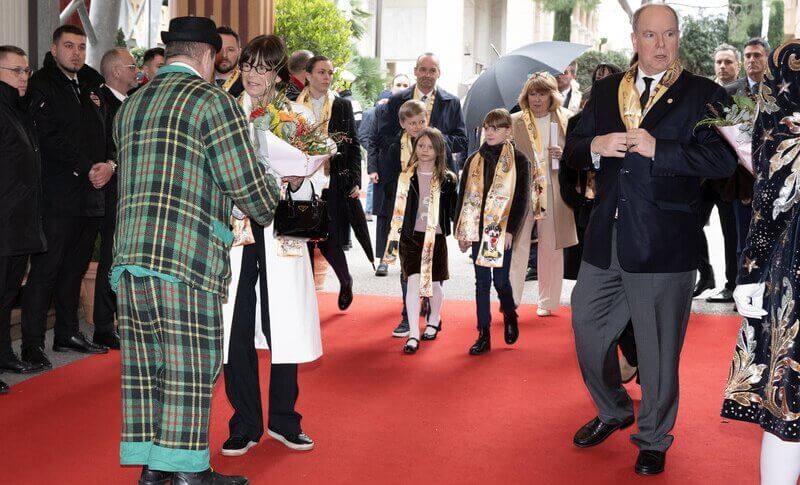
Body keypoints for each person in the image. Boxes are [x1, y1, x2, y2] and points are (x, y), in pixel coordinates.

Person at [563, 4, 737, 475]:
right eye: (650, 35)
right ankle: (614, 409)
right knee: (587, 331)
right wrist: (596, 147)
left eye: (669, 35)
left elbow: (724, 161)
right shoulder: (604, 91)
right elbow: (574, 147)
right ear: (634, 38)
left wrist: (661, 149)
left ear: (678, 38)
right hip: (606, 240)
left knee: (659, 352)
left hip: (665, 243)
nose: (660, 45)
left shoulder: (705, 94)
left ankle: (654, 436)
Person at [111, 16, 279, 484]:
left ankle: (153, 468)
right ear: (207, 56)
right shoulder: (211, 102)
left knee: (147, 367)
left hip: (129, 258)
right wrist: (273, 189)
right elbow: (247, 185)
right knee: (190, 366)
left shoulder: (132, 105)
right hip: (185, 256)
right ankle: (189, 473)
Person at [221, 34, 322, 458]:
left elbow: (319, 177)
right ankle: (244, 423)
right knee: (236, 326)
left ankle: (284, 418)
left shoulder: (296, 116)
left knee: (285, 321)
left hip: (281, 231)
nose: (253, 75)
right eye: (248, 65)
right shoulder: (222, 111)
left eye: (263, 67)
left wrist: (300, 178)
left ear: (278, 73)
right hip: (236, 232)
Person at [726, 38, 800, 485]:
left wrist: (750, 273)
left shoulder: (789, 62)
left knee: (789, 403)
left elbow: (772, 188)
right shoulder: (789, 61)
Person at [22, 25, 111, 369]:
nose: (76, 53)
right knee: (46, 271)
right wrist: (85, 166)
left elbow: (104, 129)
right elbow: (48, 136)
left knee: (74, 268)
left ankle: (67, 332)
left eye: (81, 47)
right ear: (54, 49)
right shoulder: (42, 85)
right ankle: (31, 344)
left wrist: (107, 164)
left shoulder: (89, 83)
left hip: (91, 193)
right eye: (69, 46)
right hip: (58, 194)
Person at [372, 53, 467, 338]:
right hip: (403, 190)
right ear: (414, 71)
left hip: (436, 188)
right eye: (423, 69)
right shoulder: (396, 100)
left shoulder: (451, 101)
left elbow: (462, 139)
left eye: (432, 70)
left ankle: (432, 313)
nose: (427, 74)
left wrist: (433, 140)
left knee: (434, 255)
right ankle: (407, 314)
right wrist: (405, 139)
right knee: (408, 255)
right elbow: (381, 138)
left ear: (439, 72)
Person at [455, 108, 530, 355]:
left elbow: (521, 199)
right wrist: (463, 231)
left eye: (496, 128)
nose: (489, 132)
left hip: (502, 230)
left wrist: (511, 231)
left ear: (508, 131)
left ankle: (509, 313)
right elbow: (463, 197)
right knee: (481, 282)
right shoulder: (473, 159)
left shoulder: (519, 160)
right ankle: (483, 333)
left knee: (500, 281)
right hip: (477, 228)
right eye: (487, 127)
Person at [382, 127, 457, 353]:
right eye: (421, 145)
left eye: (430, 146)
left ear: (439, 150)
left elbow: (454, 209)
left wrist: (463, 233)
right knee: (413, 282)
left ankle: (434, 319)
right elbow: (393, 205)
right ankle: (414, 333)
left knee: (434, 284)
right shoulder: (405, 177)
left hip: (436, 237)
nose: (425, 150)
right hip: (410, 237)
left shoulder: (448, 180)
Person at [508, 72, 577, 317]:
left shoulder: (567, 118)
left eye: (543, 93)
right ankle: (511, 299)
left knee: (552, 247)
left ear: (552, 95)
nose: (537, 99)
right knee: (517, 243)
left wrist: (564, 154)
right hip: (523, 191)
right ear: (526, 96)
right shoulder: (514, 121)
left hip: (555, 189)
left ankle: (547, 301)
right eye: (533, 94)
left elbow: (579, 155)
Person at [296, 55, 361, 311]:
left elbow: (354, 145)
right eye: (321, 72)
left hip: (332, 179)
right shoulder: (293, 105)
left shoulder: (342, 105)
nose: (326, 77)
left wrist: (355, 179)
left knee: (329, 236)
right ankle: (307, 297)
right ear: (308, 76)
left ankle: (345, 280)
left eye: (330, 73)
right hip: (301, 179)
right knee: (303, 236)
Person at [0, 45, 46, 388]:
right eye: (15, 70)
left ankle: (3, 353)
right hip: (4, 216)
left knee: (7, 293)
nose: (23, 77)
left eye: (26, 71)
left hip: (19, 220)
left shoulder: (19, 109)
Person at [724, 38, 770, 296]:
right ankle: (743, 289)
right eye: (748, 56)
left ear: (767, 59)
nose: (752, 60)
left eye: (757, 55)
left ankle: (768, 289)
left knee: (772, 238)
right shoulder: (730, 92)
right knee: (743, 240)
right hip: (741, 179)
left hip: (774, 179)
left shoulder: (781, 89)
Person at [214, 25, 243, 97]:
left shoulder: (247, 84)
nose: (224, 55)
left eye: (230, 50)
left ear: (239, 52)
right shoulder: (200, 80)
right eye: (219, 49)